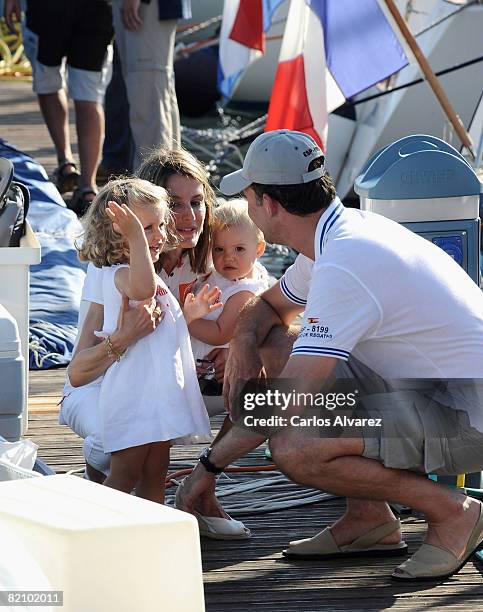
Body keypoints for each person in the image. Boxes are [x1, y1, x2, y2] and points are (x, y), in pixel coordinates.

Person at [175, 129, 483, 581]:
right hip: (432, 390)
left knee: (297, 446)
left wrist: (207, 468)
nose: (250, 210)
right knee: (277, 340)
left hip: (466, 417)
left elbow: (288, 403)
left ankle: (455, 512)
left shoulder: (344, 262)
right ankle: (369, 519)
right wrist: (242, 343)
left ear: (271, 205)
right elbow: (267, 307)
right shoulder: (337, 234)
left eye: (250, 198)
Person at [62, 148, 250, 537]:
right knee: (125, 469)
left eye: (197, 203)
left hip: (162, 387)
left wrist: (232, 347)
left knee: (156, 473)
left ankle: (187, 502)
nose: (186, 217)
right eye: (175, 205)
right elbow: (79, 371)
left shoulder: (221, 252)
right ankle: (93, 525)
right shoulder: (114, 271)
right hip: (112, 387)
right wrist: (124, 335)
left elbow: (253, 297)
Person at [76, 177, 218, 502]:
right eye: (146, 229)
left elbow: (162, 329)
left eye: (158, 226)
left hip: (158, 395)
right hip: (134, 397)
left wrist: (188, 315)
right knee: (125, 475)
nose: (157, 237)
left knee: (156, 474)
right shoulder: (121, 274)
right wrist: (138, 240)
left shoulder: (145, 272)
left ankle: (150, 536)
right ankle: (97, 534)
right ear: (120, 234)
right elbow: (143, 290)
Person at [4, 0, 113, 214]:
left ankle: (67, 164)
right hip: (92, 10)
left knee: (49, 83)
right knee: (87, 95)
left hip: (51, 10)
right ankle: (87, 186)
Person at [189, 199, 269, 377]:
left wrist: (184, 318)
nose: (228, 257)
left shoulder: (243, 293)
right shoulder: (218, 273)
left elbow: (220, 334)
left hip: (209, 372)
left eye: (239, 249)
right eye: (219, 249)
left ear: (259, 249)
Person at [112, 0, 190, 168]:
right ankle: (167, 177)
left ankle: (153, 181)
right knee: (156, 89)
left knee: (147, 93)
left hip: (147, 6)